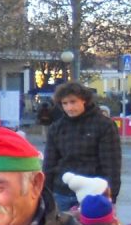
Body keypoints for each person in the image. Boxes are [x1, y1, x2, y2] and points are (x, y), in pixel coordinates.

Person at [42, 81, 122, 210]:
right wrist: (46, 194)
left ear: (84, 100)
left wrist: (111, 195)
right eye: (65, 103)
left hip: (94, 192)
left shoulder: (103, 125)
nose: (69, 107)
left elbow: (111, 164)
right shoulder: (56, 128)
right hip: (61, 192)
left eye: (73, 102)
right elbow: (49, 164)